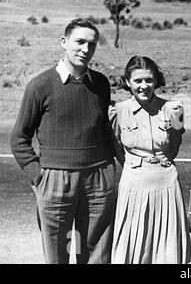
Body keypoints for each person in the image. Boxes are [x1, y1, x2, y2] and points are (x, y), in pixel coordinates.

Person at [10, 18, 117, 264]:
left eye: (91, 44)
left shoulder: (101, 83)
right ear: (64, 42)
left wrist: (110, 171)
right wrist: (40, 177)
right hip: (56, 181)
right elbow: (19, 139)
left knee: (94, 254)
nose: (85, 49)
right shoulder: (40, 85)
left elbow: (102, 130)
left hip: (98, 180)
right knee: (58, 254)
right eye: (79, 42)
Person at [110, 56, 191, 264]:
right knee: (134, 245)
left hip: (166, 182)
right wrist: (135, 165)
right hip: (134, 182)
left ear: (156, 81)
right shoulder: (118, 111)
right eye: (137, 81)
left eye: (149, 80)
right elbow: (117, 147)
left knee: (166, 247)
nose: (144, 86)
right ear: (128, 82)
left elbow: (173, 147)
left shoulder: (172, 109)